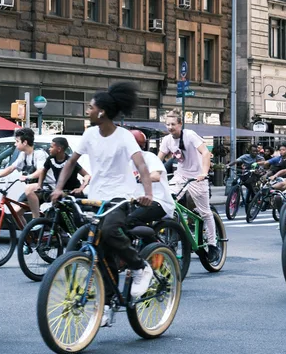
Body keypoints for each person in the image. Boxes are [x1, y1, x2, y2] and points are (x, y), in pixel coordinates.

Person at [50, 83, 156, 302]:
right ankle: (108, 301)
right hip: (96, 196)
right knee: (99, 247)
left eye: (90, 107)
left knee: (109, 231)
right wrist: (59, 189)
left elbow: (142, 166)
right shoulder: (89, 134)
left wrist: (147, 193)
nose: (87, 111)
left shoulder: (124, 136)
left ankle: (140, 267)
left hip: (121, 196)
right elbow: (71, 162)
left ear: (102, 112)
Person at [158, 112, 216, 250]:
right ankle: (174, 237)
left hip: (197, 177)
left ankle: (213, 244)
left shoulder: (189, 135)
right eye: (168, 124)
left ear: (180, 124)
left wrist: (204, 173)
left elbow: (206, 153)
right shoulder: (167, 140)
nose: (170, 127)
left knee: (205, 212)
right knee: (168, 202)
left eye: (173, 124)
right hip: (181, 176)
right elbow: (158, 159)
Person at [0, 128, 48, 216]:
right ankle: (28, 230)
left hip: (45, 187)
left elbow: (40, 171)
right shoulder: (23, 155)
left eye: (17, 141)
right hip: (32, 190)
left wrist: (27, 177)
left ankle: (36, 219)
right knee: (15, 213)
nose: (15, 144)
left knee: (29, 189)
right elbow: (11, 168)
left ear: (25, 142)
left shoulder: (39, 154)